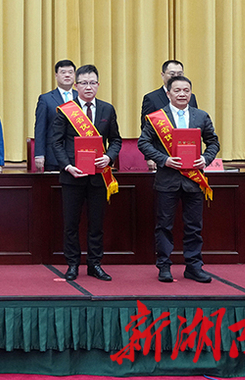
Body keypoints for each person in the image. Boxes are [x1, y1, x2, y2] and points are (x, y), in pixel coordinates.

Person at [138, 75, 219, 283]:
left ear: (190, 93)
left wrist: (205, 159)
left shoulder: (201, 116)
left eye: (186, 90)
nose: (182, 94)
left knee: (194, 226)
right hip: (167, 180)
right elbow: (143, 143)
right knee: (164, 225)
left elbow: (213, 143)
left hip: (194, 180)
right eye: (177, 90)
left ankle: (194, 266)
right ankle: (164, 266)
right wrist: (164, 159)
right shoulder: (156, 118)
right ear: (168, 94)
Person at [51, 64, 122, 282]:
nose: (88, 87)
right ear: (76, 85)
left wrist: (109, 157)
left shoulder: (107, 109)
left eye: (92, 83)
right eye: (84, 83)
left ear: (98, 85)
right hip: (72, 176)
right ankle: (72, 264)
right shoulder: (66, 110)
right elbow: (56, 142)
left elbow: (116, 140)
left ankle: (95, 264)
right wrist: (67, 166)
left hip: (99, 177)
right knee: (71, 224)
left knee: (96, 224)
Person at [33, 60, 76, 172]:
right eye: (63, 72)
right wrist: (39, 154)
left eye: (70, 72)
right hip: (53, 155)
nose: (67, 75)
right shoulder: (46, 99)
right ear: (56, 75)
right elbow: (40, 128)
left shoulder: (81, 97)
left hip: (76, 154)